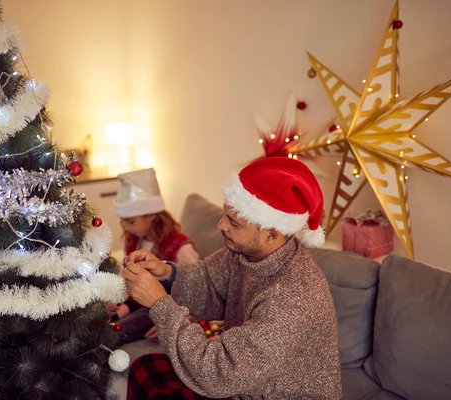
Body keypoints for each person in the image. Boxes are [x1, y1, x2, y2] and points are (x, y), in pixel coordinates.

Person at [122, 157, 341, 399]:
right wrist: (167, 273)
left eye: (233, 222)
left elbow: (219, 373)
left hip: (261, 391)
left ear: (271, 234)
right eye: (225, 214)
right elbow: (209, 281)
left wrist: (159, 304)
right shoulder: (247, 251)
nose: (220, 225)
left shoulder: (293, 297)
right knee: (146, 370)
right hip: (243, 382)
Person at [108, 168, 199, 344]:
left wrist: (172, 323)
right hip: (134, 303)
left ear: (151, 215)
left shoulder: (181, 246)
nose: (126, 228)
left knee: (113, 335)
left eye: (131, 221)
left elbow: (195, 289)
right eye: (123, 222)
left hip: (160, 308)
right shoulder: (133, 240)